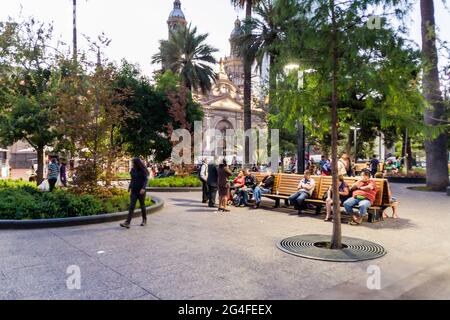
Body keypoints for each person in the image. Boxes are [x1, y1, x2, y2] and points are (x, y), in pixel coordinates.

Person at [120, 158, 149, 229]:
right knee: (131, 206)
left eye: (133, 163)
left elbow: (145, 180)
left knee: (142, 205)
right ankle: (127, 222)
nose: (132, 164)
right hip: (134, 191)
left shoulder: (143, 171)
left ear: (136, 163)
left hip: (141, 191)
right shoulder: (132, 170)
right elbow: (132, 179)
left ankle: (144, 220)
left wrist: (143, 188)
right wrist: (129, 187)